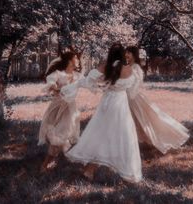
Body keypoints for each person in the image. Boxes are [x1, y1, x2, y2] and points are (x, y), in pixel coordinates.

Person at [61, 44, 142, 183]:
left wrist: (102, 86)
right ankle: (126, 172)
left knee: (101, 134)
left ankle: (90, 169)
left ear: (110, 54)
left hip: (107, 103)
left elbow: (89, 80)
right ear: (123, 54)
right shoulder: (130, 69)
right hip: (121, 104)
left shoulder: (106, 66)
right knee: (124, 136)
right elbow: (133, 90)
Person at [125, 46, 189, 154]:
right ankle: (130, 142)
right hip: (126, 96)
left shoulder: (136, 67)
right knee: (132, 120)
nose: (126, 55)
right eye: (125, 52)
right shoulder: (127, 66)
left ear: (134, 55)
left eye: (129, 53)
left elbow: (138, 82)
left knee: (147, 119)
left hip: (133, 96)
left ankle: (162, 138)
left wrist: (131, 95)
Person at [38, 51, 82, 171]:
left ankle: (53, 160)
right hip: (57, 107)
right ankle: (45, 164)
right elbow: (51, 82)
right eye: (75, 58)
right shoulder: (59, 74)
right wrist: (56, 88)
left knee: (63, 133)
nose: (77, 60)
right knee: (58, 134)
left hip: (70, 108)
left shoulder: (78, 76)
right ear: (69, 61)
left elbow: (89, 82)